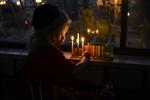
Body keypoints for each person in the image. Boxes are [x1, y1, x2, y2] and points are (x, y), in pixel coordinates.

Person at [16, 3, 91, 99]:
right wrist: (86, 59)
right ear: (55, 32)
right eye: (63, 31)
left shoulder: (37, 49)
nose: (64, 35)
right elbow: (74, 70)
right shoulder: (50, 53)